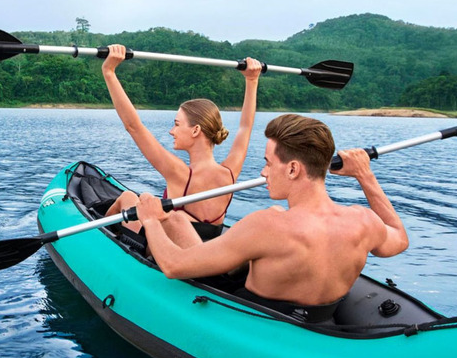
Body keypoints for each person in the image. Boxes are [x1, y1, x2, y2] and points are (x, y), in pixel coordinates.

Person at [134, 114, 410, 320]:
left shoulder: (266, 226)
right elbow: (399, 239)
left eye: (268, 163)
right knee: (180, 220)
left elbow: (173, 266)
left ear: (293, 169)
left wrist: (150, 219)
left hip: (255, 319)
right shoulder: (362, 220)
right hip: (319, 318)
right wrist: (364, 175)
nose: (263, 173)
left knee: (171, 221)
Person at [101, 44, 262, 243]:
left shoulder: (178, 173)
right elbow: (245, 127)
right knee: (143, 199)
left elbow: (133, 126)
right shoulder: (230, 172)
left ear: (195, 130)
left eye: (177, 124)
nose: (172, 131)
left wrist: (109, 72)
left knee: (127, 197)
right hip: (202, 244)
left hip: (165, 249)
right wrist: (252, 80)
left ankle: (99, 240)